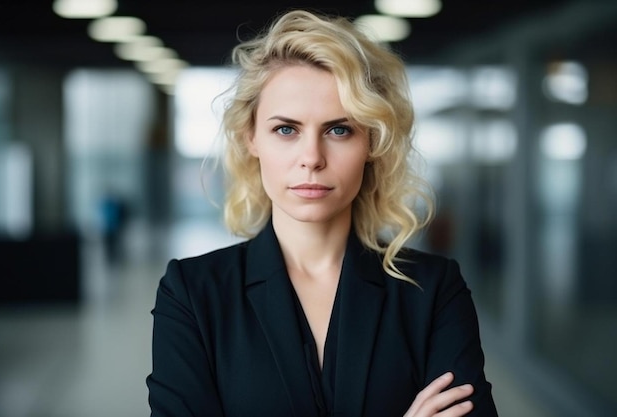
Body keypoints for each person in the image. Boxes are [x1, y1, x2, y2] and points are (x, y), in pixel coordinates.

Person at [146, 9, 498, 417]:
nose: (311, 158)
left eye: (339, 129)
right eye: (286, 129)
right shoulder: (192, 294)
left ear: (372, 143)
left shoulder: (434, 291)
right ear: (251, 138)